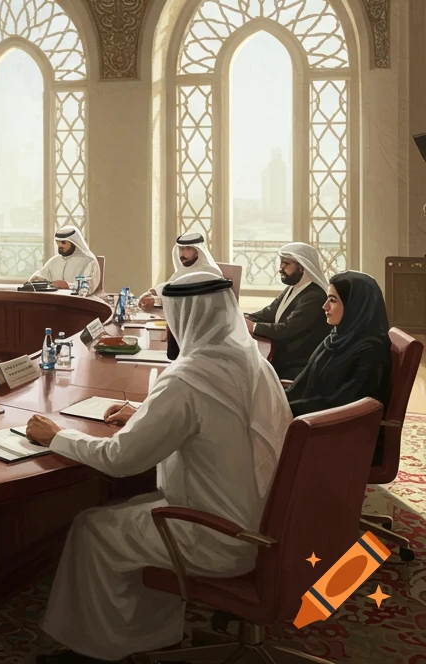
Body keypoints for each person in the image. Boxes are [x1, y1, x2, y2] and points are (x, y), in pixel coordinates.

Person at [24, 271, 290, 664]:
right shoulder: (253, 362)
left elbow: (119, 460)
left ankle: (96, 651)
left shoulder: (185, 379)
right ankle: (155, 631)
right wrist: (145, 414)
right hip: (268, 523)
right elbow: (212, 424)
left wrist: (56, 436)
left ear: (183, 319)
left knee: (93, 528)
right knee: (137, 513)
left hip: (222, 535)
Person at [286, 271, 392, 462]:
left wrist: (288, 410)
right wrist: (279, 401)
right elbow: (303, 383)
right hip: (316, 423)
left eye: (333, 300)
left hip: (343, 436)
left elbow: (346, 403)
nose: (324, 306)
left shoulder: (371, 351)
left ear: (355, 306)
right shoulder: (337, 336)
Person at [245, 242, 330, 380]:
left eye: (286, 264)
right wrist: (243, 317)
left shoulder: (315, 296)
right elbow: (269, 313)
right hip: (283, 359)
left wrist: (253, 326)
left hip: (298, 366)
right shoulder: (294, 288)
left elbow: (287, 329)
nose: (280, 268)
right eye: (281, 263)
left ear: (302, 267)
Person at [139, 231, 222, 306]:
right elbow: (169, 288)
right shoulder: (183, 271)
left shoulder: (210, 273)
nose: (182, 254)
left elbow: (188, 300)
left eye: (188, 248)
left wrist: (155, 300)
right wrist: (152, 293)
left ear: (198, 251)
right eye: (180, 249)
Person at [30, 225, 101, 294]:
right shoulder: (54, 260)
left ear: (74, 243)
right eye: (57, 242)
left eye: (63, 243)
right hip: (54, 300)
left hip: (79, 302)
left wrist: (68, 285)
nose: (60, 246)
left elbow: (89, 287)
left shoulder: (89, 261)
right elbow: (40, 276)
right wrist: (35, 281)